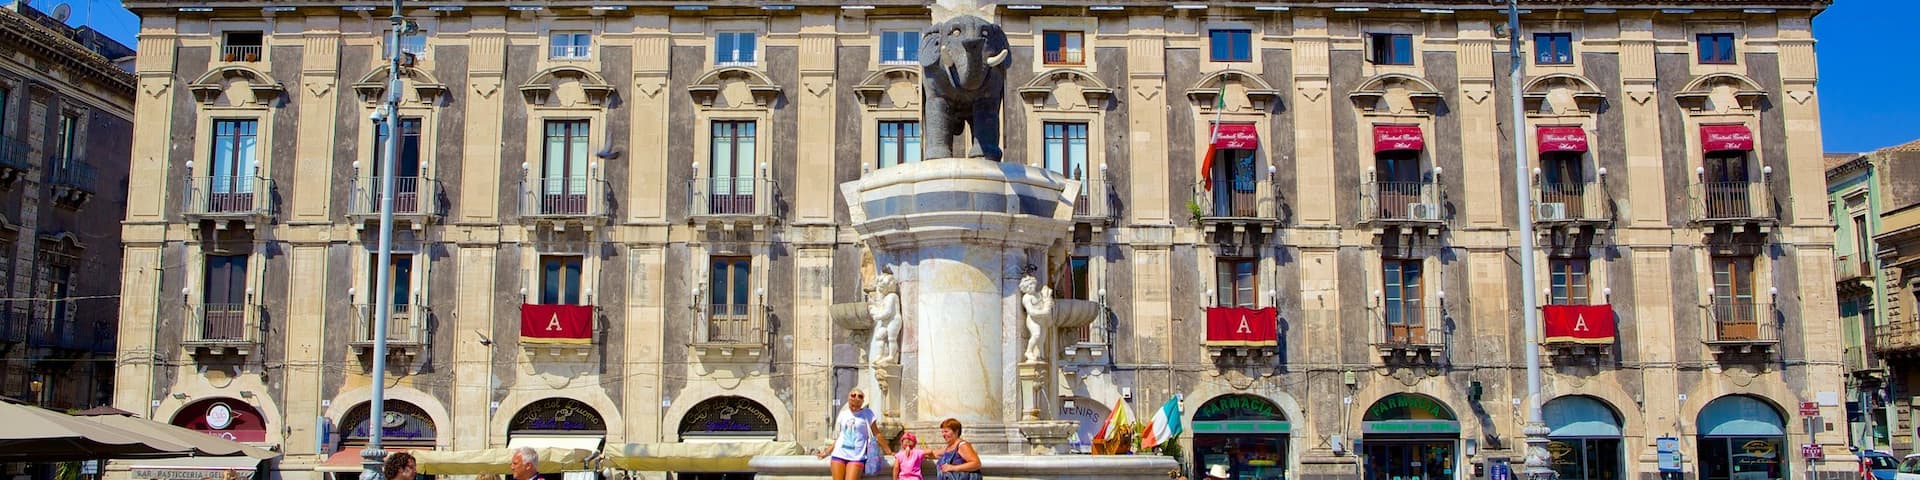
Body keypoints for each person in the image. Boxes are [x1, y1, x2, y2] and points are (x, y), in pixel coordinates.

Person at [816, 388, 892, 480]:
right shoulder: (843, 414)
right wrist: (827, 452)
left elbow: (877, 434)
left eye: (859, 397)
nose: (855, 401)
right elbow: (841, 437)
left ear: (862, 401)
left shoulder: (867, 413)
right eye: (853, 397)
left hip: (857, 457)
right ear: (848, 399)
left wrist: (889, 451)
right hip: (839, 454)